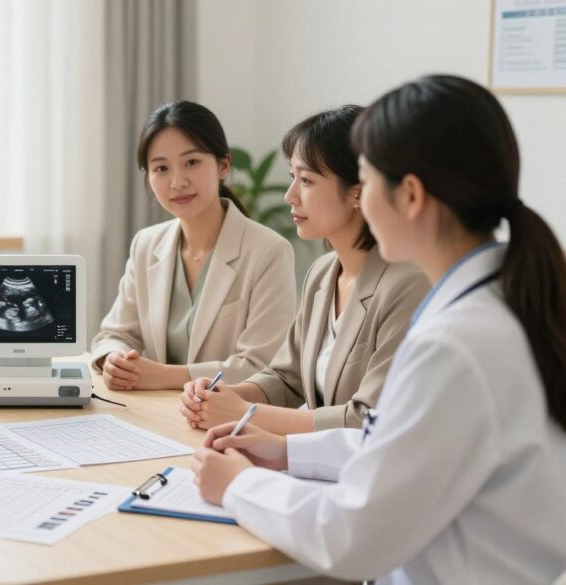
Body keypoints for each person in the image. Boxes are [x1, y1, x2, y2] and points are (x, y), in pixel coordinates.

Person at [192, 75, 566, 584]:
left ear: (409, 196)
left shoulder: (457, 344)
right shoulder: (500, 302)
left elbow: (350, 536)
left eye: (366, 182)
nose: (362, 202)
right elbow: (403, 444)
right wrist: (286, 452)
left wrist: (238, 486)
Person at [179, 106, 429, 433]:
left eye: (307, 180)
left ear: (358, 190)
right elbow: (287, 377)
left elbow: (366, 419)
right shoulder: (323, 273)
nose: (290, 196)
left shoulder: (409, 284)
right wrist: (218, 396)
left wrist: (242, 412)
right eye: (292, 177)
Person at [91, 101, 296, 391]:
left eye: (192, 162)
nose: (177, 182)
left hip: (226, 421)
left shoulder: (269, 251)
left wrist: (163, 375)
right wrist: (114, 360)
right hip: (157, 412)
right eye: (161, 168)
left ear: (223, 165)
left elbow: (263, 365)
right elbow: (115, 334)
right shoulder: (146, 244)